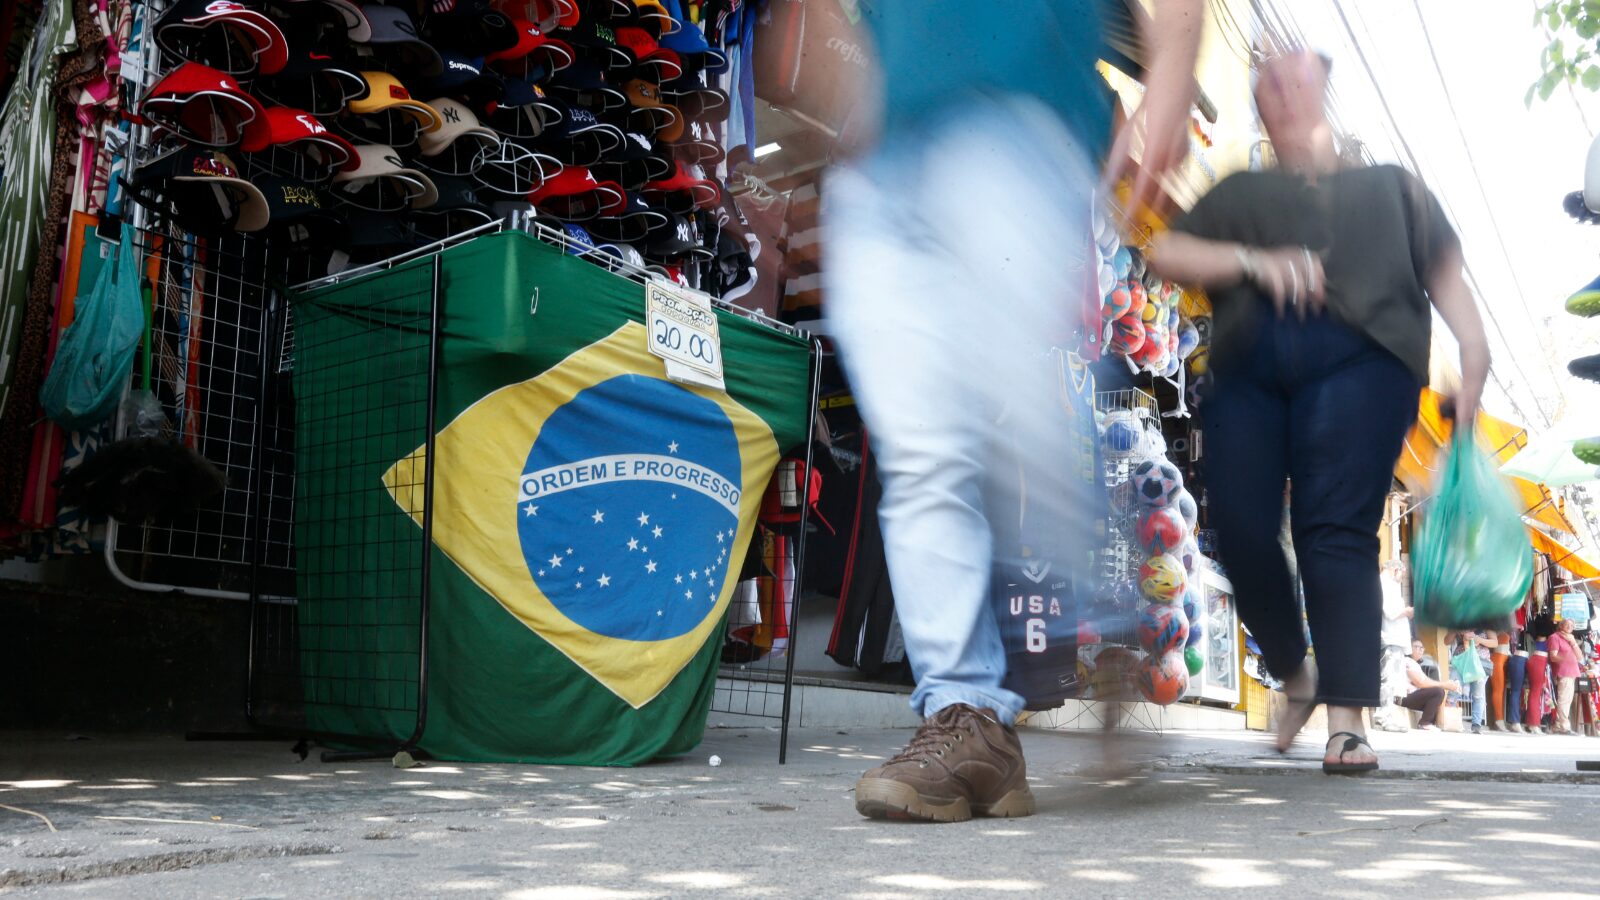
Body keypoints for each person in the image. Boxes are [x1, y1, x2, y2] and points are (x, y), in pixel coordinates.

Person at [826, 1, 1205, 823]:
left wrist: (1171, 75)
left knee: (1020, 440)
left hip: (1019, 133)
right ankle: (968, 721)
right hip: (884, 162)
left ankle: (1107, 637)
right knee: (924, 454)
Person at [1148, 49, 1491, 774]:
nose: (1280, 87)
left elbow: (1450, 284)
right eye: (1265, 79)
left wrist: (1474, 357)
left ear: (1326, 84)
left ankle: (1347, 719)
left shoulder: (1393, 188)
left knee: (1334, 528)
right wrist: (1252, 262)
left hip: (1364, 357)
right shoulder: (1240, 190)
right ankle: (1293, 673)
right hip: (1251, 363)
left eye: (1295, 74)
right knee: (1238, 527)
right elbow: (1167, 247)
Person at [1374, 561, 1413, 732]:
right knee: (1387, 679)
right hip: (1389, 637)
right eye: (1401, 574)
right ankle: (1383, 718)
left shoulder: (1388, 584)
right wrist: (1407, 611)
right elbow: (1389, 612)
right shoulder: (1385, 583)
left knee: (1391, 679)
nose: (1401, 578)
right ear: (1396, 570)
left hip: (1393, 638)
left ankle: (1386, 716)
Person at [1401, 639, 1460, 730]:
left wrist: (1445, 685)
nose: (1420, 650)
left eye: (1422, 648)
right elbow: (1420, 682)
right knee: (1437, 692)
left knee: (1438, 692)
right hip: (1404, 697)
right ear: (1409, 648)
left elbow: (1425, 681)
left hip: (1412, 696)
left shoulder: (1415, 664)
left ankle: (1430, 723)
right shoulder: (1406, 661)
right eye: (1417, 647)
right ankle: (1424, 723)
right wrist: (1443, 685)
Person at [1449, 630, 1493, 734]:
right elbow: (1446, 641)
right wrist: (1455, 630)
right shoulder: (1460, 622)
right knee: (1454, 688)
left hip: (1480, 662)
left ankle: (1476, 724)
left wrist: (1479, 639)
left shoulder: (1487, 624)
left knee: (1478, 694)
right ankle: (1449, 719)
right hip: (1461, 661)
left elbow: (1494, 642)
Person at [1549, 618, 1584, 735]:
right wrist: (1566, 659)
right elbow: (1553, 656)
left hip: (1572, 672)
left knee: (1567, 700)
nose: (1569, 627)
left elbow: (1579, 657)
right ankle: (1564, 726)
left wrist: (1573, 642)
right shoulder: (1555, 637)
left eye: (1571, 625)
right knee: (1564, 700)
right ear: (1561, 626)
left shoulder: (1571, 638)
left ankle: (1558, 725)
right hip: (1563, 672)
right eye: (1567, 624)